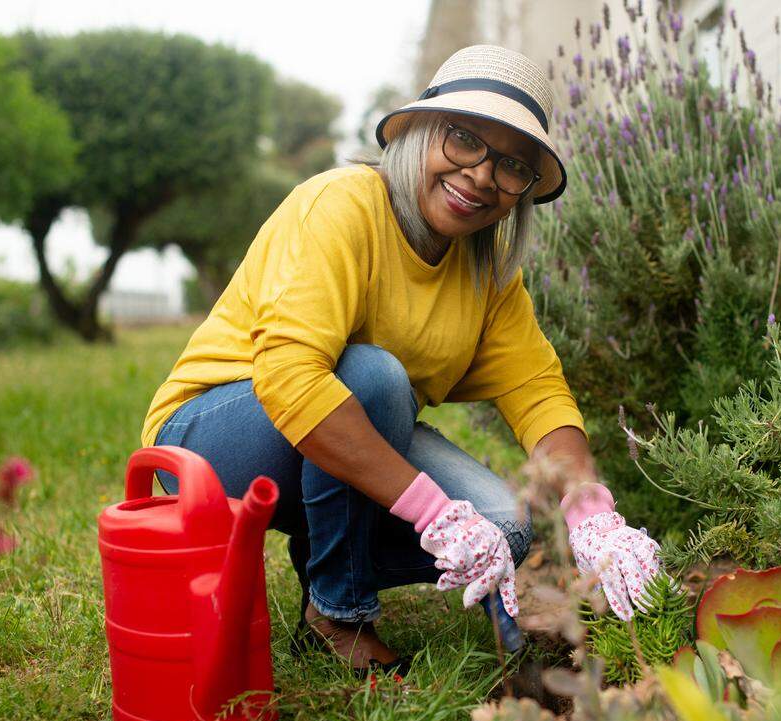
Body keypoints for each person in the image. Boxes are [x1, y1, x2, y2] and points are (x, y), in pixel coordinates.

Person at [140, 45, 661, 680]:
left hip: (334, 436)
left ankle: (326, 554)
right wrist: (435, 514)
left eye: (512, 165)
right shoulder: (342, 206)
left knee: (506, 527)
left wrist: (589, 512)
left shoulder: (488, 271)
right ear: (418, 132)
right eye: (464, 139)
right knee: (372, 377)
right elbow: (292, 379)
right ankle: (338, 612)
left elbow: (538, 391)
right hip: (210, 443)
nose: (480, 176)